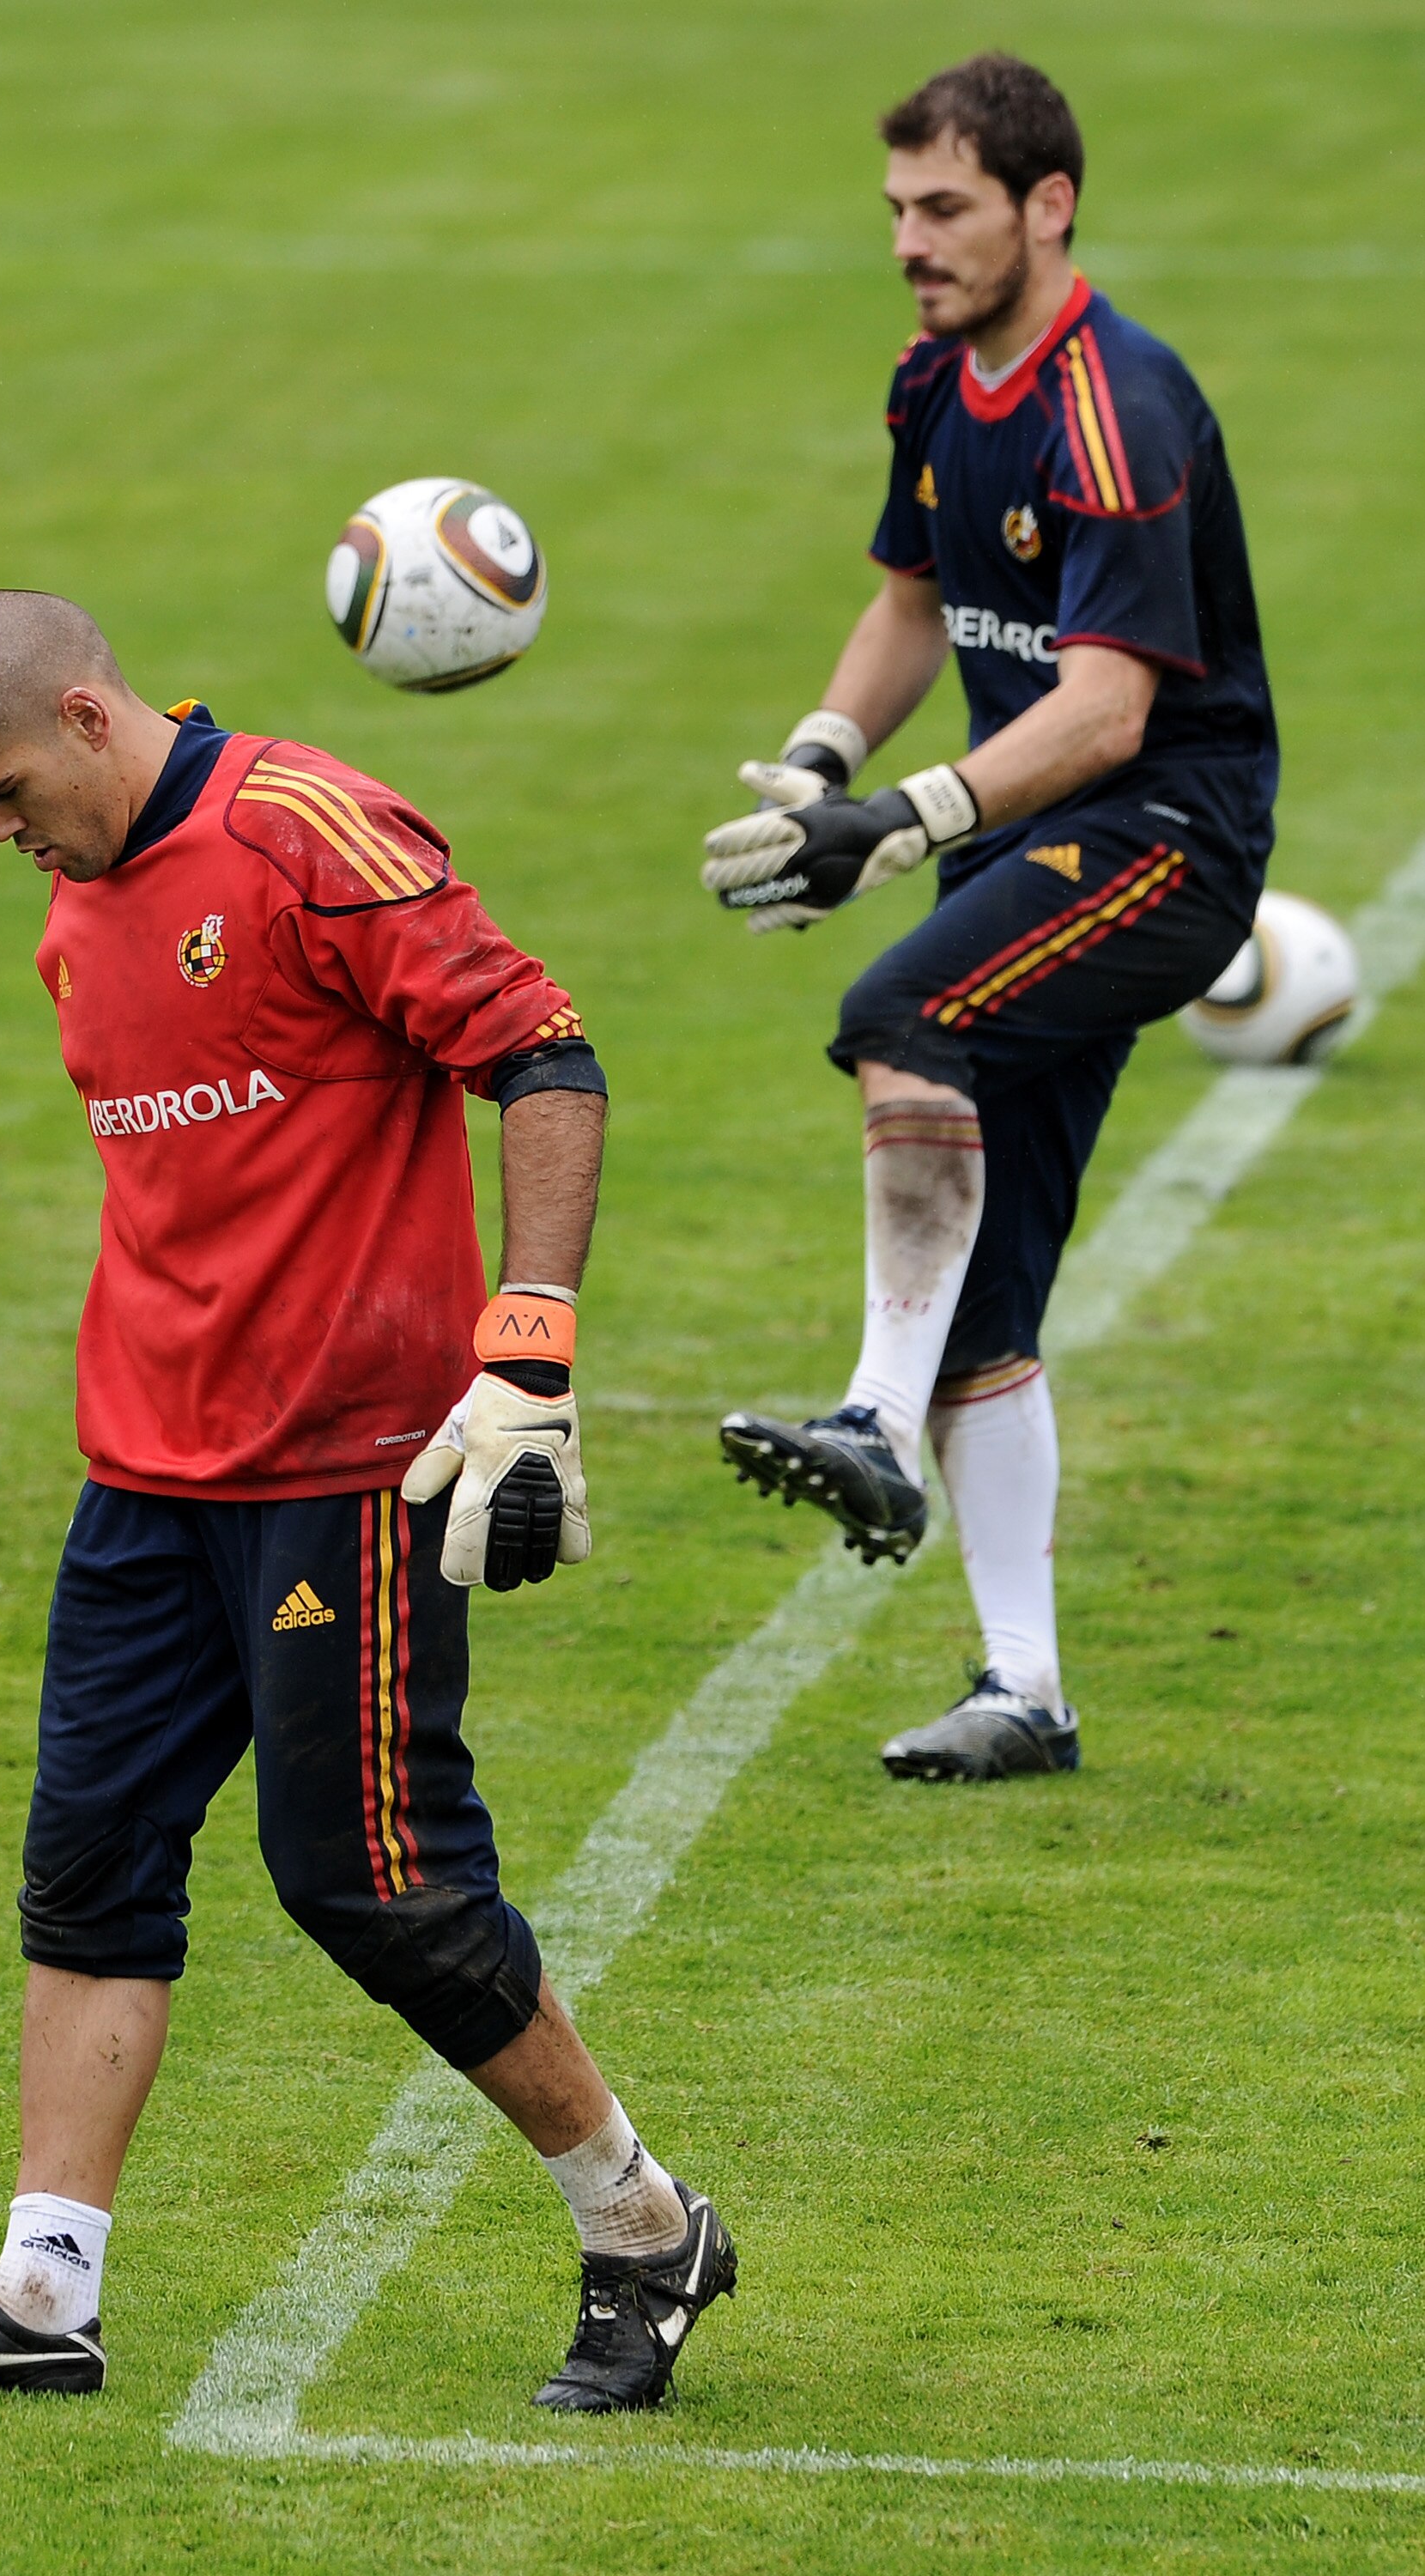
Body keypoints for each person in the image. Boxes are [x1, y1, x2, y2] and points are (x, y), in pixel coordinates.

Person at [0, 592, 734, 2409]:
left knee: (375, 1886)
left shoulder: (303, 831)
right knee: (87, 1868)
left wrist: (521, 1357)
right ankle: (39, 2300)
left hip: (345, 1470)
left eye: (1, 791)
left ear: (83, 712)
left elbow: (542, 1058)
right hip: (145, 1469)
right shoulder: (74, 910)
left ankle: (641, 2228)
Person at [701, 53, 1276, 1782]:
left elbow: (1106, 713)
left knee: (898, 1017)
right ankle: (1020, 1691)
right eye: (892, 210)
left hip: (1159, 838)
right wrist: (821, 761)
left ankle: (868, 1413)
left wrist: (903, 821)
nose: (907, 242)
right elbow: (908, 599)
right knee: (991, 1286)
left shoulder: (1116, 404)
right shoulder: (935, 382)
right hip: (1032, 846)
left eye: (940, 207)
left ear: (1046, 206)